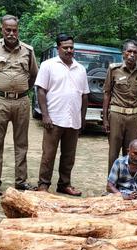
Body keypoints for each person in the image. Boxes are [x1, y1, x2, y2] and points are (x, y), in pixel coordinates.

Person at [0, 14, 39, 196]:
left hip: (21, 102)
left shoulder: (28, 50)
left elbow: (34, 75)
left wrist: (23, 88)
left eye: (15, 30)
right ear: (1, 29)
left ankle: (21, 181)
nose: (11, 33)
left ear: (18, 31)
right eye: (8, 30)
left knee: (22, 143)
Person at [35, 33, 89, 196]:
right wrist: (45, 115)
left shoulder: (80, 69)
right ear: (58, 47)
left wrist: (82, 118)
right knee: (48, 154)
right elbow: (41, 90)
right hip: (54, 118)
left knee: (69, 156)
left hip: (73, 119)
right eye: (65, 47)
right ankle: (43, 184)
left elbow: (84, 95)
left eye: (71, 47)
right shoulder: (48, 65)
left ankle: (64, 184)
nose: (69, 50)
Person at [102, 40, 137, 173]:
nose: (132, 55)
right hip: (116, 115)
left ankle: (126, 183)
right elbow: (107, 94)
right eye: (129, 51)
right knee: (113, 153)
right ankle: (111, 185)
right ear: (123, 54)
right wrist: (105, 119)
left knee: (130, 153)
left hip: (133, 117)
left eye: (135, 52)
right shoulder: (114, 70)